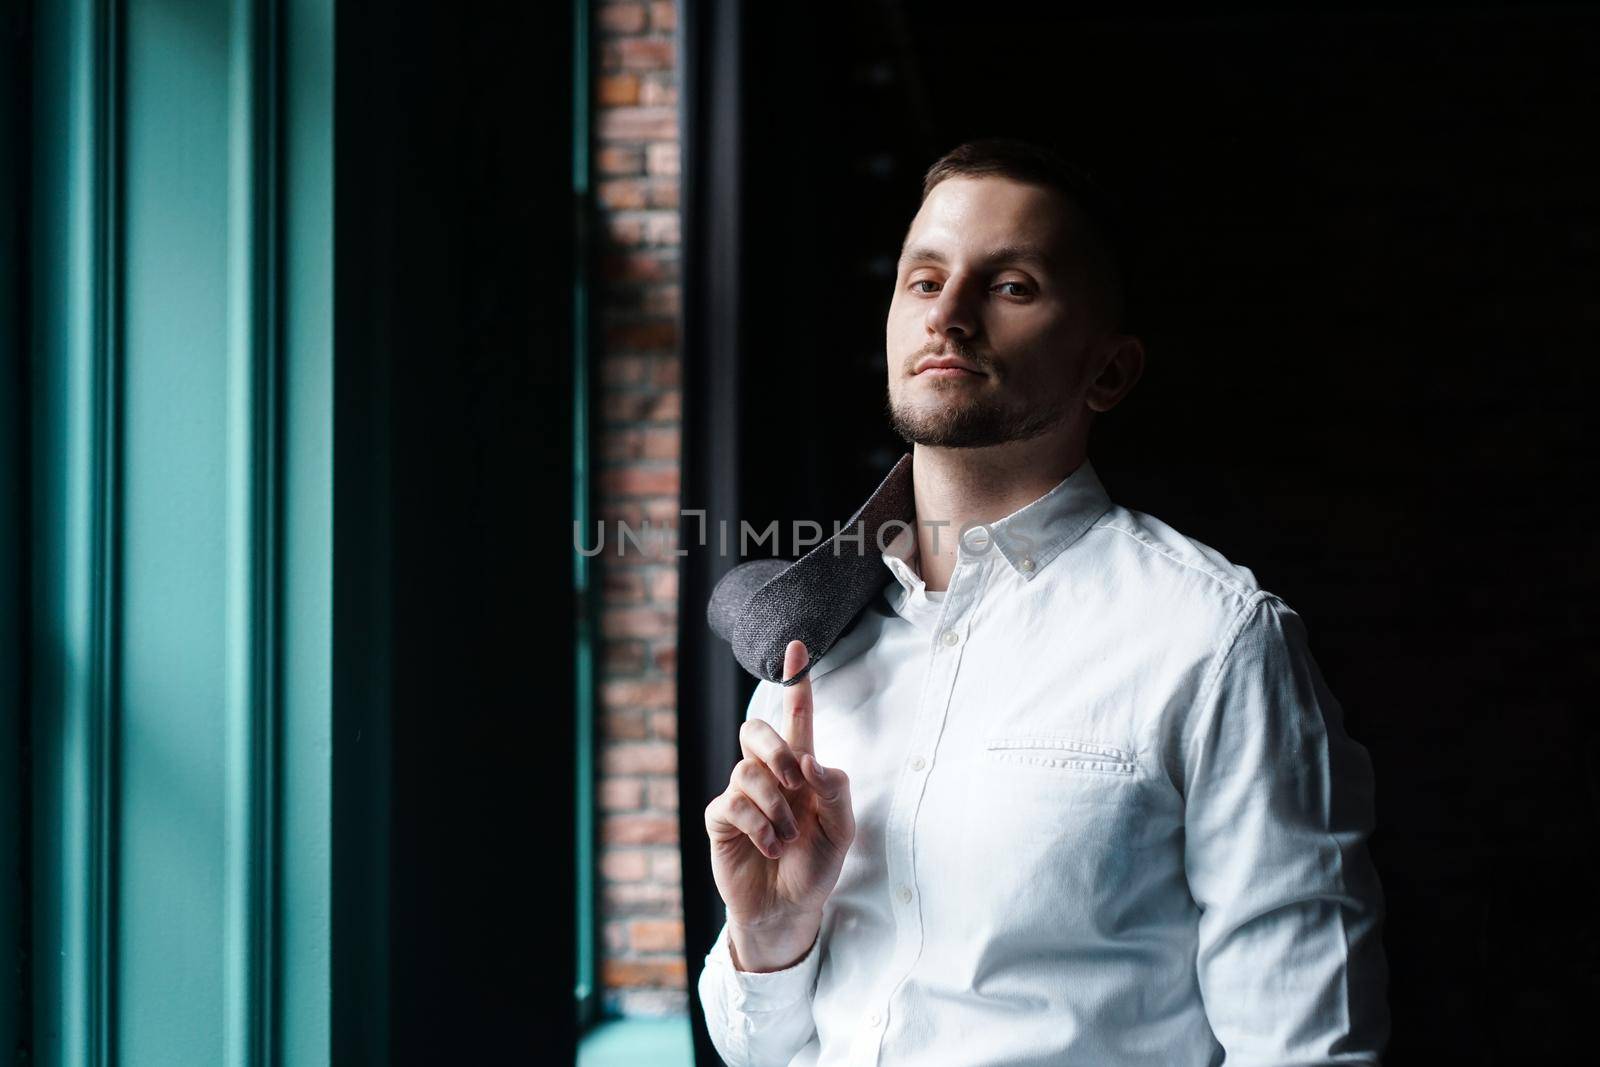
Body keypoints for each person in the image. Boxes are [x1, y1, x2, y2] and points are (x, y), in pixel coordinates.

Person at [697, 138, 1388, 1066]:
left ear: (1109, 371)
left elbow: (1308, 1045)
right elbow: (760, 1050)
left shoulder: (1213, 642)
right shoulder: (811, 644)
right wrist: (774, 936)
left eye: (1011, 285)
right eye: (923, 279)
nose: (950, 314)